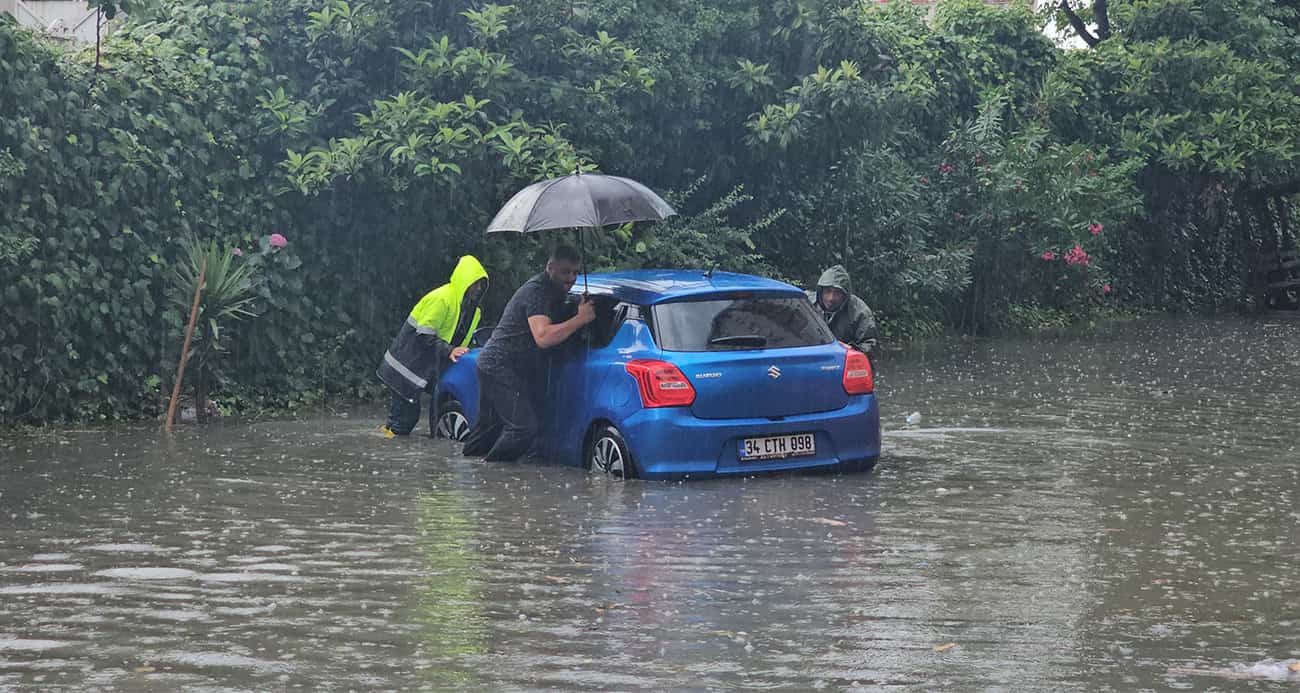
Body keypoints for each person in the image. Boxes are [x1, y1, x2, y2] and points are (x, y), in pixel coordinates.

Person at [462, 246, 595, 462]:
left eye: (575, 272)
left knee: (488, 432)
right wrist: (580, 319)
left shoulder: (557, 293)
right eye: (565, 271)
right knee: (523, 429)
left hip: (499, 365)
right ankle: (486, 477)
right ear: (549, 268)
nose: (571, 278)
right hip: (499, 365)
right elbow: (543, 337)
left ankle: (464, 471)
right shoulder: (537, 291)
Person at [378, 255, 488, 437]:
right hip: (405, 368)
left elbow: (460, 341)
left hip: (421, 369)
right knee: (405, 420)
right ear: (464, 280)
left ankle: (384, 439)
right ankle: (386, 449)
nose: (478, 288)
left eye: (481, 284)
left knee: (400, 418)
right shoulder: (442, 299)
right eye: (475, 283)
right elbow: (423, 335)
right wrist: (449, 350)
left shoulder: (471, 311)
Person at [807, 264, 879, 357]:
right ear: (821, 291)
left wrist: (850, 349)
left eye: (837, 293)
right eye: (828, 291)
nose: (831, 298)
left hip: (845, 361)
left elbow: (871, 345)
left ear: (845, 295)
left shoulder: (859, 311)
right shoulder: (807, 304)